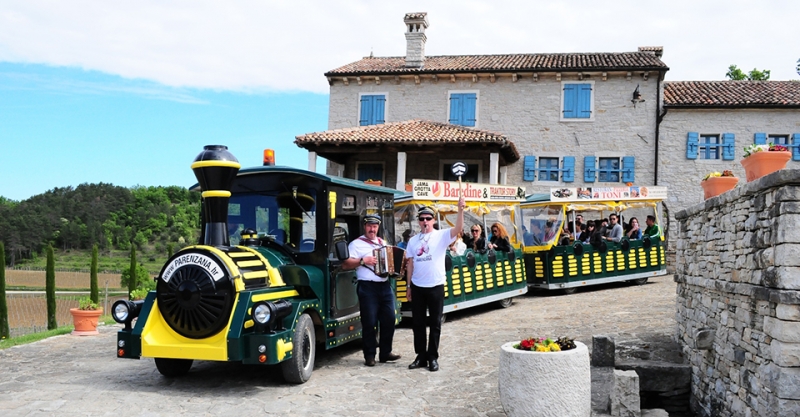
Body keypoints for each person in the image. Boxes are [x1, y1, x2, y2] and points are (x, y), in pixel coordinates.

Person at [405, 196, 465, 372]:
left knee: (435, 323)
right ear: (418, 221)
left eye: (428, 219)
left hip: (436, 285)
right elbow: (410, 263)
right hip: (417, 286)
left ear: (433, 221)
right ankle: (420, 356)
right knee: (418, 323)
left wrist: (460, 210)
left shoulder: (441, 235)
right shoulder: (413, 241)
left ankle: (433, 357)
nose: (425, 222)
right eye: (422, 219)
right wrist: (408, 286)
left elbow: (458, 229)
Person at [345, 214, 401, 367]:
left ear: (378, 227)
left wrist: (394, 269)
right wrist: (363, 261)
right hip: (367, 287)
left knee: (389, 319)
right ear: (365, 226)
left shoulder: (382, 243)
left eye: (375, 226)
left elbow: (390, 263)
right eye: (369, 226)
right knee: (369, 322)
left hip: (384, 285)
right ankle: (369, 355)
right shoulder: (356, 244)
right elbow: (346, 264)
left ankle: (385, 352)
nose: (372, 229)